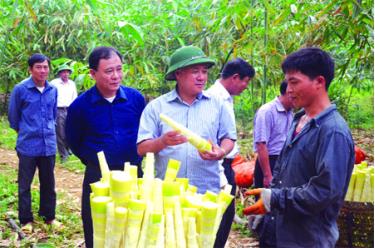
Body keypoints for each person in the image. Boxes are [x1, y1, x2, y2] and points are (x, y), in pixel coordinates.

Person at [244, 47, 355, 247]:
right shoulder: (299, 120)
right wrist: (269, 209)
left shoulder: (333, 132)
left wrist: (276, 199)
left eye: (294, 82)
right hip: (279, 231)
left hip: (306, 238)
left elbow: (324, 192)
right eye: (287, 83)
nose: (288, 89)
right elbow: (284, 173)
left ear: (319, 82)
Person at [65, 46, 145, 248]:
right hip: (98, 178)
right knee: (96, 228)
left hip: (133, 175)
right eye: (109, 71)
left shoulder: (136, 99)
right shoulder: (80, 106)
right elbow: (74, 140)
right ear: (93, 74)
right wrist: (93, 161)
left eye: (119, 69)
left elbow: (145, 134)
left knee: (133, 229)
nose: (116, 76)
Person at [137, 45, 237, 195]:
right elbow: (141, 148)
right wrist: (162, 141)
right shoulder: (156, 108)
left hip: (206, 191)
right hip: (168, 193)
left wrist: (221, 151)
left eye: (204, 71)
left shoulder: (218, 104)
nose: (201, 77)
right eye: (195, 71)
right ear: (178, 74)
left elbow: (229, 137)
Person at [206, 58, 255, 247]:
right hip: (217, 165)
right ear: (235, 77)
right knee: (220, 218)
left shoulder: (226, 97)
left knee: (226, 217)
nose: (245, 86)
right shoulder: (213, 98)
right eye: (245, 81)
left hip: (226, 163)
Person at [8, 53, 58, 230]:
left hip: (48, 146)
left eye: (45, 67)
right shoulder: (20, 89)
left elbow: (53, 115)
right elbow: (13, 118)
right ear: (30, 69)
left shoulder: (53, 90)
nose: (43, 70)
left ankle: (49, 217)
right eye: (38, 67)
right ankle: (26, 220)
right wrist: (28, 132)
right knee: (24, 185)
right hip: (28, 146)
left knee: (49, 184)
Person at [253, 80, 294, 189]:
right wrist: (267, 175)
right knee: (265, 203)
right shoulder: (267, 112)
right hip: (269, 162)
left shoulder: (291, 113)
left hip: (284, 163)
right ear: (288, 92)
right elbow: (261, 145)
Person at [50, 64, 77, 163]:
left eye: (67, 72)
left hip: (69, 109)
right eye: (63, 72)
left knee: (69, 131)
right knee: (60, 133)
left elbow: (74, 97)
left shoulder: (72, 84)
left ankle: (68, 149)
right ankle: (63, 155)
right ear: (60, 73)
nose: (65, 74)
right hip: (58, 109)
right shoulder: (54, 83)